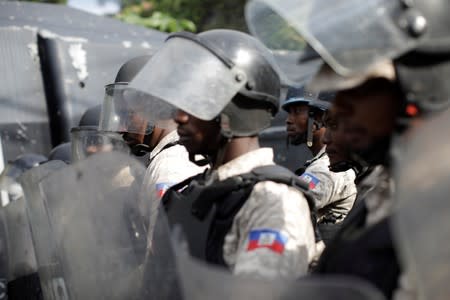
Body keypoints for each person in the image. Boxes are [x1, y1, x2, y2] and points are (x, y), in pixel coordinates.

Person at [246, 0, 450, 298]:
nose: (340, 107)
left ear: (417, 84)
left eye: (357, 88)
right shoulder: (387, 190)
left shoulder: (439, 209)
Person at [127, 29, 317, 279]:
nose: (179, 117)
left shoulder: (272, 201)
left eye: (195, 102)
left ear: (235, 111)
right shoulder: (191, 193)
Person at [98, 55, 207, 229]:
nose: (121, 128)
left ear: (155, 106)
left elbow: (163, 248)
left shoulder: (169, 166)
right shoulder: (171, 157)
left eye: (128, 114)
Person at [283, 87, 356, 244]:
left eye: (297, 112)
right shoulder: (323, 161)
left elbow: (285, 206)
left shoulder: (328, 168)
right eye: (289, 112)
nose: (288, 120)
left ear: (317, 118)